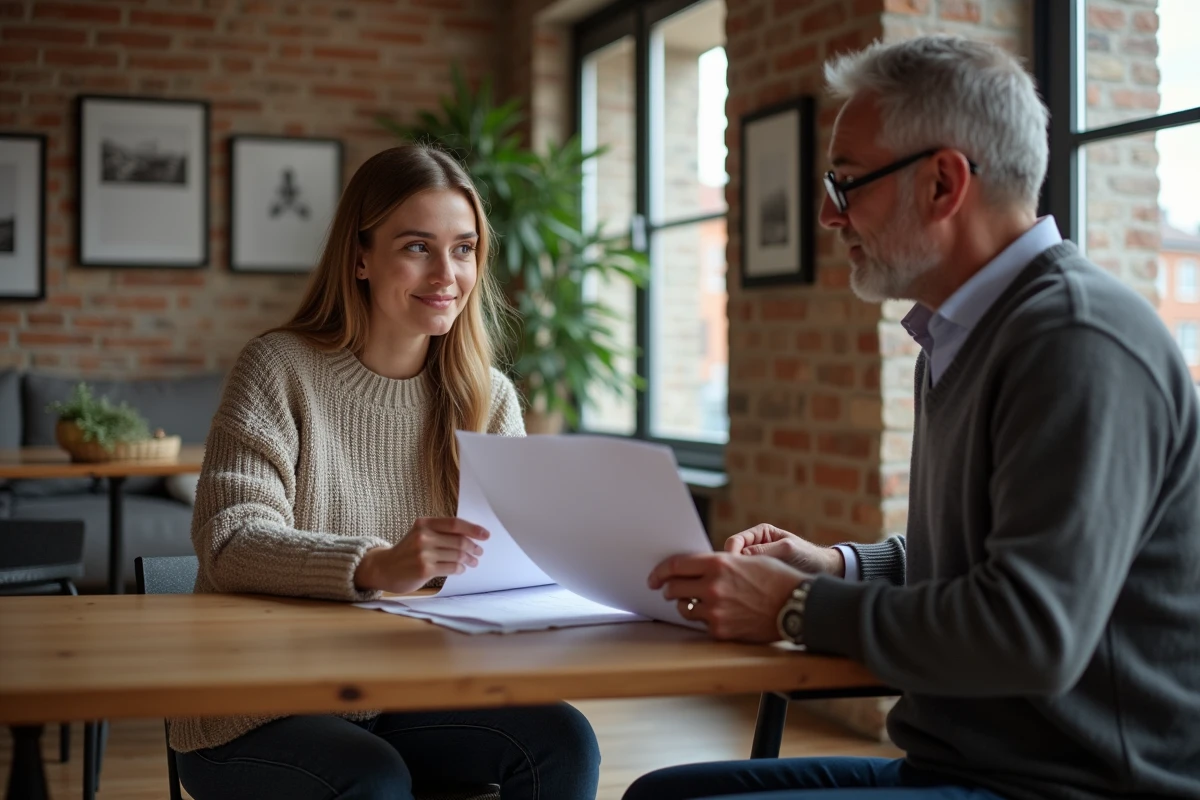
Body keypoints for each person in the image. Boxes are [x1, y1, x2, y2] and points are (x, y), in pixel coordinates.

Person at [626, 34, 1200, 800]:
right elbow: (988, 561)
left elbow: (1031, 631)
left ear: (941, 184)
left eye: (848, 184)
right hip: (972, 766)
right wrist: (838, 567)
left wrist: (794, 606)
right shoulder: (964, 333)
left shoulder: (1074, 342)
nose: (832, 218)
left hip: (1074, 786)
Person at [172, 144, 601, 800]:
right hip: (257, 704)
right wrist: (375, 566)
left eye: (464, 248)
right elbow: (228, 540)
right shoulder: (278, 368)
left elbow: (512, 573)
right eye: (416, 247)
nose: (446, 273)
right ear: (360, 257)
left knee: (563, 743)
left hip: (401, 693)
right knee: (373, 779)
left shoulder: (489, 397)